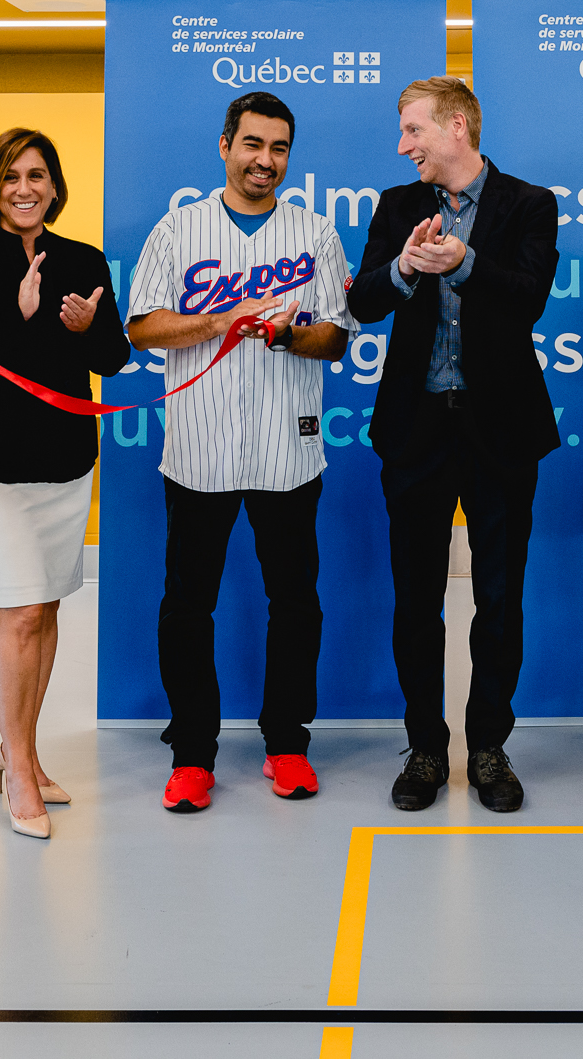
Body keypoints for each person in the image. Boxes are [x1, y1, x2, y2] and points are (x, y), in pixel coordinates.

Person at [125, 91, 354, 814]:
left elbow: (336, 336)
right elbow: (140, 325)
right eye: (253, 144)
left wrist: (286, 334)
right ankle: (193, 753)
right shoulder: (179, 228)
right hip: (200, 449)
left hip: (289, 448)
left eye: (278, 148)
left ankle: (287, 742)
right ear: (225, 145)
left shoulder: (315, 232)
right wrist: (217, 320)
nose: (265, 160)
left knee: (295, 603)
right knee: (188, 605)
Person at [350, 76, 559, 814]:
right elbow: (361, 301)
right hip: (416, 429)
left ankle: (489, 748)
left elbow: (529, 297)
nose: (403, 145)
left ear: (457, 127)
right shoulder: (396, 206)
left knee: (499, 598)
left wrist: (462, 264)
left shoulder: (529, 204)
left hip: (501, 428)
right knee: (416, 600)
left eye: (413, 130)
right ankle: (426, 749)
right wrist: (406, 266)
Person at [0, 128, 129, 841]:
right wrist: (14, 316)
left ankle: (23, 750)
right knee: (18, 612)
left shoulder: (83, 258)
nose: (24, 188)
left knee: (43, 609)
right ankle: (17, 766)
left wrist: (87, 327)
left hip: (62, 459)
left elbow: (113, 356)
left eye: (37, 175)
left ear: (54, 185)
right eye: (12, 176)